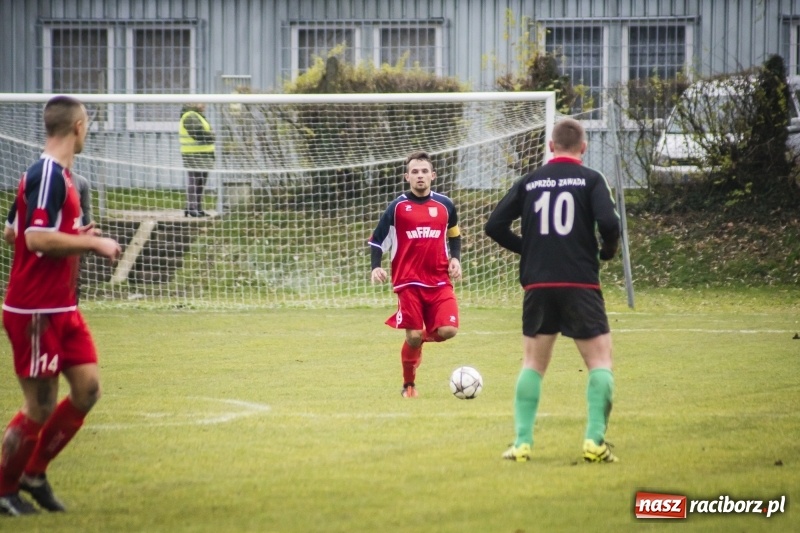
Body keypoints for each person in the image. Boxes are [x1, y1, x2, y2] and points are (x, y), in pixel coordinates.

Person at [0, 95, 121, 516]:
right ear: (78, 127)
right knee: (40, 406)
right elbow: (33, 238)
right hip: (35, 311)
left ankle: (33, 475)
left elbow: (11, 232)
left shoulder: (61, 178)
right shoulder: (47, 174)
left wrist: (72, 234)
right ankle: (4, 489)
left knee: (87, 390)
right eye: (88, 126)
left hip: (62, 307)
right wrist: (92, 243)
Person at [484, 118, 621, 463]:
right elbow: (609, 223)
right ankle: (594, 441)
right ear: (583, 148)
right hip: (580, 283)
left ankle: (522, 443)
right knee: (600, 362)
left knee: (533, 364)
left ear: (550, 146)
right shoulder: (591, 179)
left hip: (538, 284)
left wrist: (529, 249)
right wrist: (607, 251)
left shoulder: (530, 181)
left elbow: (495, 225)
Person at [369, 151, 462, 398]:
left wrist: (455, 258)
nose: (420, 175)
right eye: (415, 172)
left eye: (424, 171)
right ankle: (408, 384)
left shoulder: (445, 205)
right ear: (407, 177)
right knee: (412, 336)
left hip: (440, 281)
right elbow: (376, 241)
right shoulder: (397, 207)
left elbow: (454, 234)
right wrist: (375, 266)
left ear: (433, 175)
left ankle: (420, 340)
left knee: (449, 330)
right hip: (408, 282)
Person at [179, 103, 215, 217]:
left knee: (201, 181)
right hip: (193, 153)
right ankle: (191, 207)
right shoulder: (190, 115)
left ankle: (198, 207)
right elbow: (197, 132)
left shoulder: (198, 116)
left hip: (204, 153)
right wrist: (212, 136)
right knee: (194, 179)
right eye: (201, 102)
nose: (204, 105)